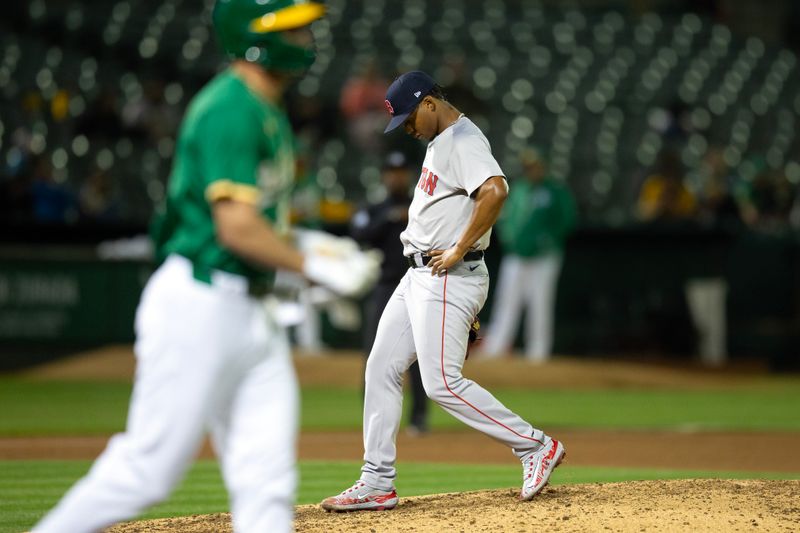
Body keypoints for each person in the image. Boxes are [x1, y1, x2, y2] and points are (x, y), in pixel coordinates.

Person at [31, 2, 379, 532]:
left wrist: (312, 256)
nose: (308, 37)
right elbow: (234, 228)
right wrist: (310, 264)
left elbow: (260, 223)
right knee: (146, 472)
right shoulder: (231, 109)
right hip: (200, 305)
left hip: (252, 314)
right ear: (257, 38)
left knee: (267, 479)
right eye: (293, 27)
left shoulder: (266, 107)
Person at [320, 71, 566, 512]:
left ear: (430, 103)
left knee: (441, 385)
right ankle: (376, 481)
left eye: (411, 118)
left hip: (447, 276)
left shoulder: (462, 140)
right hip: (420, 276)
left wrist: (459, 247)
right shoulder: (441, 141)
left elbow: (496, 190)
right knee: (380, 367)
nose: (408, 129)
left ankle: (535, 446)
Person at [350, 151, 429, 435]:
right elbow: (359, 235)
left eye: (401, 171)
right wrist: (390, 218)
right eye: (391, 171)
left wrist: (406, 215)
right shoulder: (375, 208)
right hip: (385, 286)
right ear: (384, 175)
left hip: (420, 285)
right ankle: (372, 419)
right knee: (375, 352)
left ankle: (419, 418)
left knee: (419, 354)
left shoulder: (421, 204)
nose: (396, 176)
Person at [482, 147, 577, 362]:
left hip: (544, 257)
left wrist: (549, 239)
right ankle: (496, 347)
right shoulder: (519, 190)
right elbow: (505, 218)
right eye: (528, 167)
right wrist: (509, 237)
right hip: (516, 255)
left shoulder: (555, 191)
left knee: (540, 302)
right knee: (507, 300)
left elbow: (568, 219)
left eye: (535, 166)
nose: (532, 170)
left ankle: (538, 351)